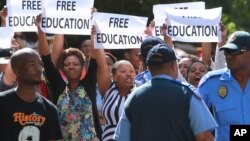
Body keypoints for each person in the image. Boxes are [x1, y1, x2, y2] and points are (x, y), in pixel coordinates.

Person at [114, 44, 217, 141]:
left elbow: (121, 138)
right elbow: (204, 137)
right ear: (174, 66)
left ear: (148, 68)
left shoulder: (134, 96)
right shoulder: (187, 94)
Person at [37, 16, 102, 140]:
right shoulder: (58, 86)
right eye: (67, 64)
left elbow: (94, 58)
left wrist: (94, 34)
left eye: (75, 64)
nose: (71, 67)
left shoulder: (89, 84)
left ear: (82, 66)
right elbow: (45, 57)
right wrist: (40, 30)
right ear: (62, 67)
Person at [0, 48, 63, 140]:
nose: (39, 69)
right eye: (32, 64)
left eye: (40, 64)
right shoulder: (2, 102)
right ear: (17, 70)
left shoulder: (50, 109)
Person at [198, 31, 250, 141]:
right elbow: (194, 121)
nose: (229, 56)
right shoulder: (210, 82)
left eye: (234, 51)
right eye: (226, 52)